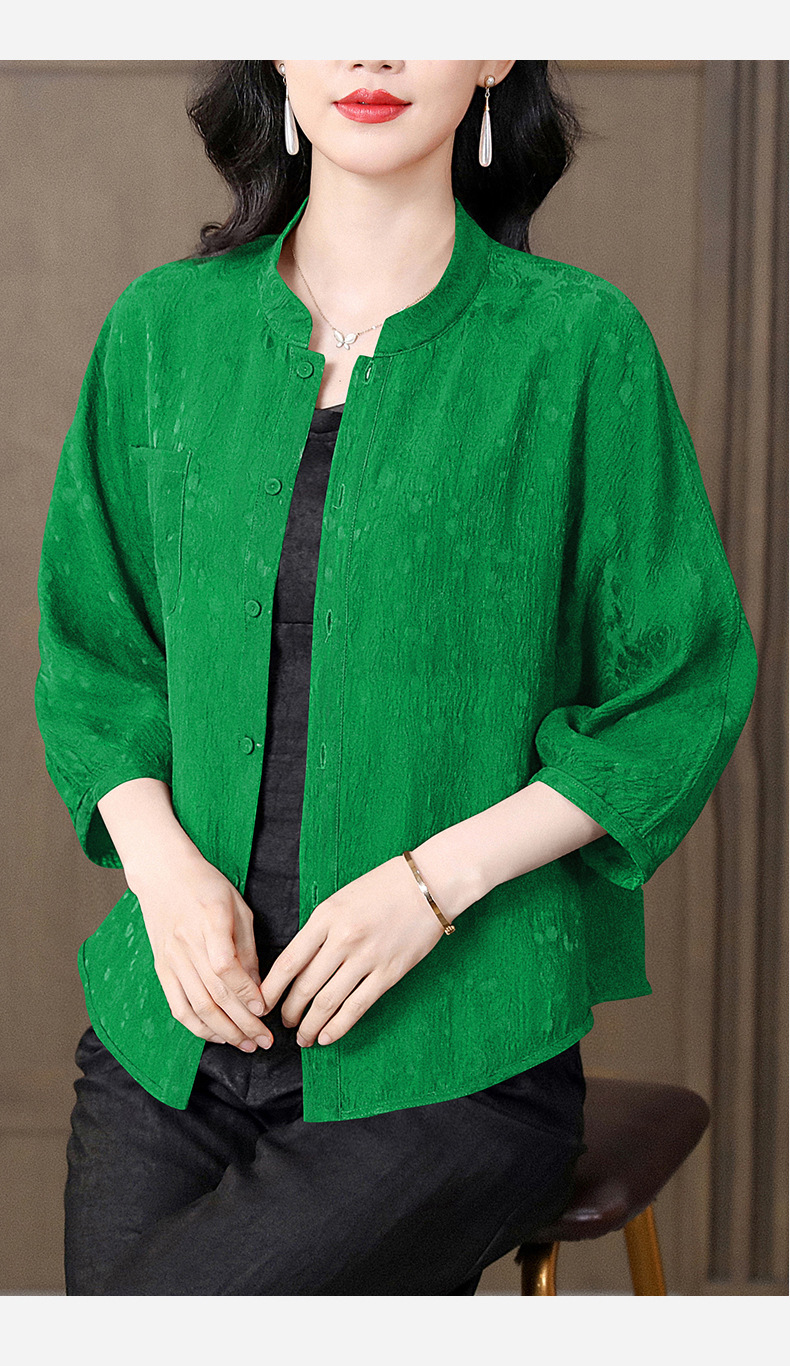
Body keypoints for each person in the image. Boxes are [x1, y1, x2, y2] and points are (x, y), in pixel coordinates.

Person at [34, 60, 758, 1296]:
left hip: (455, 1052)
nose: (370, 50)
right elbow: (96, 649)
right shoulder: (161, 329)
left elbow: (679, 681)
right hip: (175, 1028)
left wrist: (432, 886)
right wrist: (161, 871)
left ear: (491, 52)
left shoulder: (577, 343)